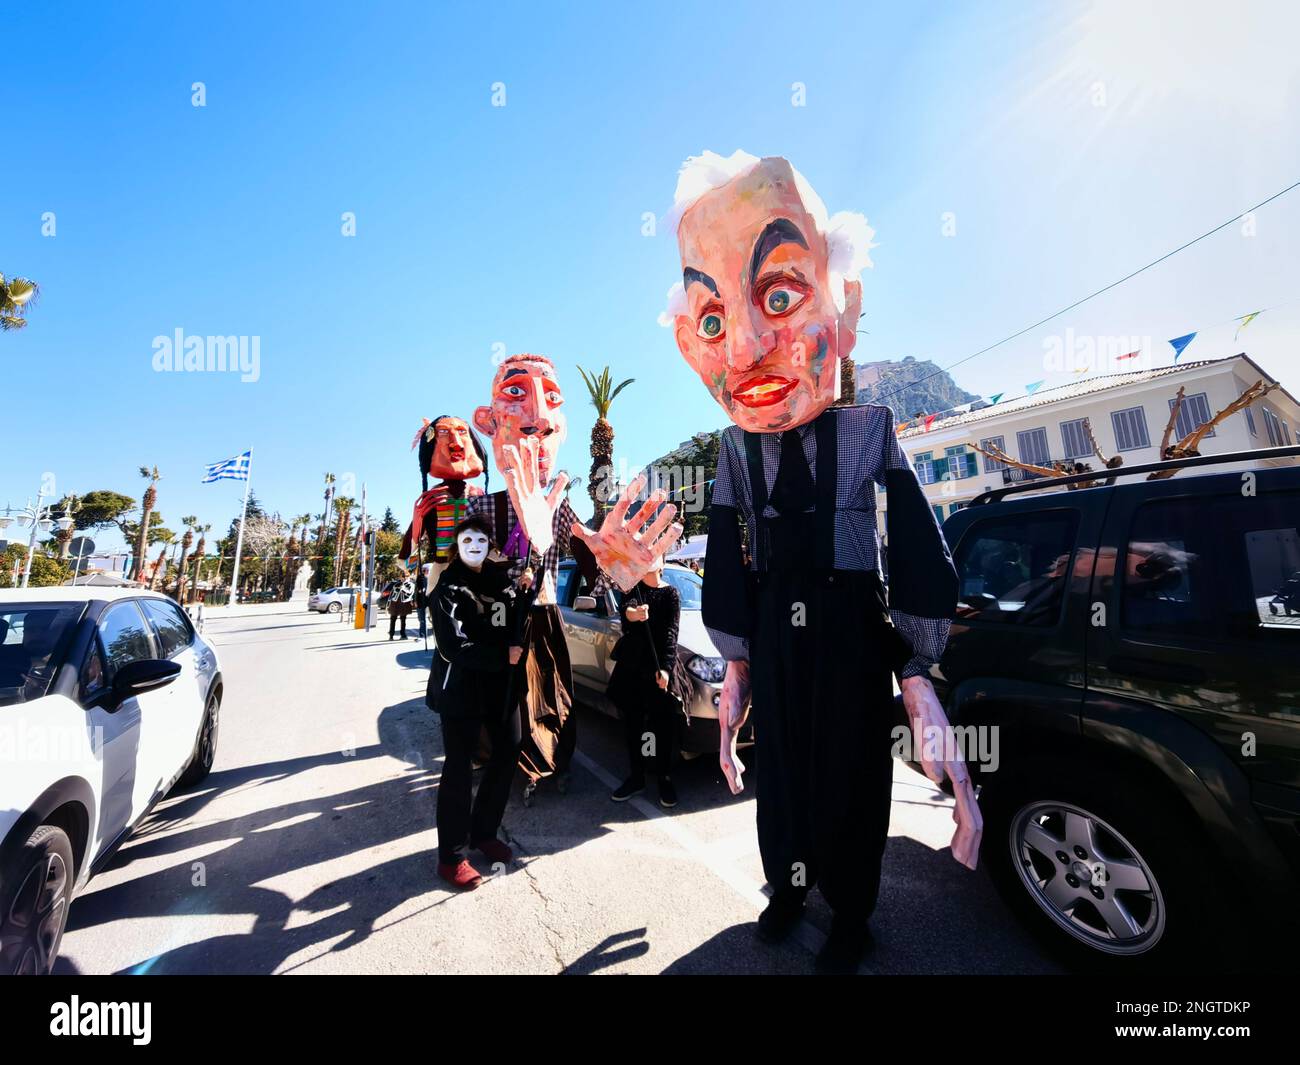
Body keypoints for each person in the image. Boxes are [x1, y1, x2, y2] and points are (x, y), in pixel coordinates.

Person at [660, 150, 981, 973]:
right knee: (788, 770)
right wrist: (735, 662)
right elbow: (730, 549)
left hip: (846, 621)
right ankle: (789, 890)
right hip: (774, 619)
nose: (751, 342)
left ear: (840, 310)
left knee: (853, 771)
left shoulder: (869, 427)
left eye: (778, 296)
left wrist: (915, 664)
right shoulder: (734, 448)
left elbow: (913, 537)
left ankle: (852, 913)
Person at [468, 353, 683, 803]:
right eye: (516, 394)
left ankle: (548, 769)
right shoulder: (481, 509)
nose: (540, 419)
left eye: (552, 400)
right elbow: (459, 577)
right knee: (503, 703)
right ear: (488, 422)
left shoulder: (558, 504)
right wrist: (514, 552)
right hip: (497, 627)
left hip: (545, 622)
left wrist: (620, 570)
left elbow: (592, 563)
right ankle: (500, 766)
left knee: (551, 700)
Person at [428, 518, 524, 890]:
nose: (475, 544)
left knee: (509, 749)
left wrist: (522, 592)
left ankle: (484, 831)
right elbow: (455, 646)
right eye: (467, 539)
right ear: (456, 545)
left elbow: (509, 620)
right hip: (461, 689)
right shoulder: (448, 587)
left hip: (500, 687)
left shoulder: (497, 580)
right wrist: (503, 655)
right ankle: (450, 856)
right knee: (459, 767)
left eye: (481, 539)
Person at [608, 554, 682, 808]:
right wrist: (634, 614)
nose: (649, 559)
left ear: (662, 562)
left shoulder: (671, 594)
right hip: (631, 669)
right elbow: (625, 612)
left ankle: (663, 776)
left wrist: (666, 669)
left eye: (655, 555)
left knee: (662, 725)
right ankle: (636, 776)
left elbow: (672, 632)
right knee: (633, 725)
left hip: (658, 669)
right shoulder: (633, 589)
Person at [386, 570, 414, 640]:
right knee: (393, 619)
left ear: (408, 577)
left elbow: (410, 593)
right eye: (402, 576)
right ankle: (391, 635)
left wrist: (403, 589)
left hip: (404, 603)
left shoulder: (411, 584)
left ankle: (403, 635)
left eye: (405, 576)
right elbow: (391, 594)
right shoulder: (396, 584)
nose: (403, 578)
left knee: (403, 620)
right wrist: (388, 605)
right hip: (395, 603)